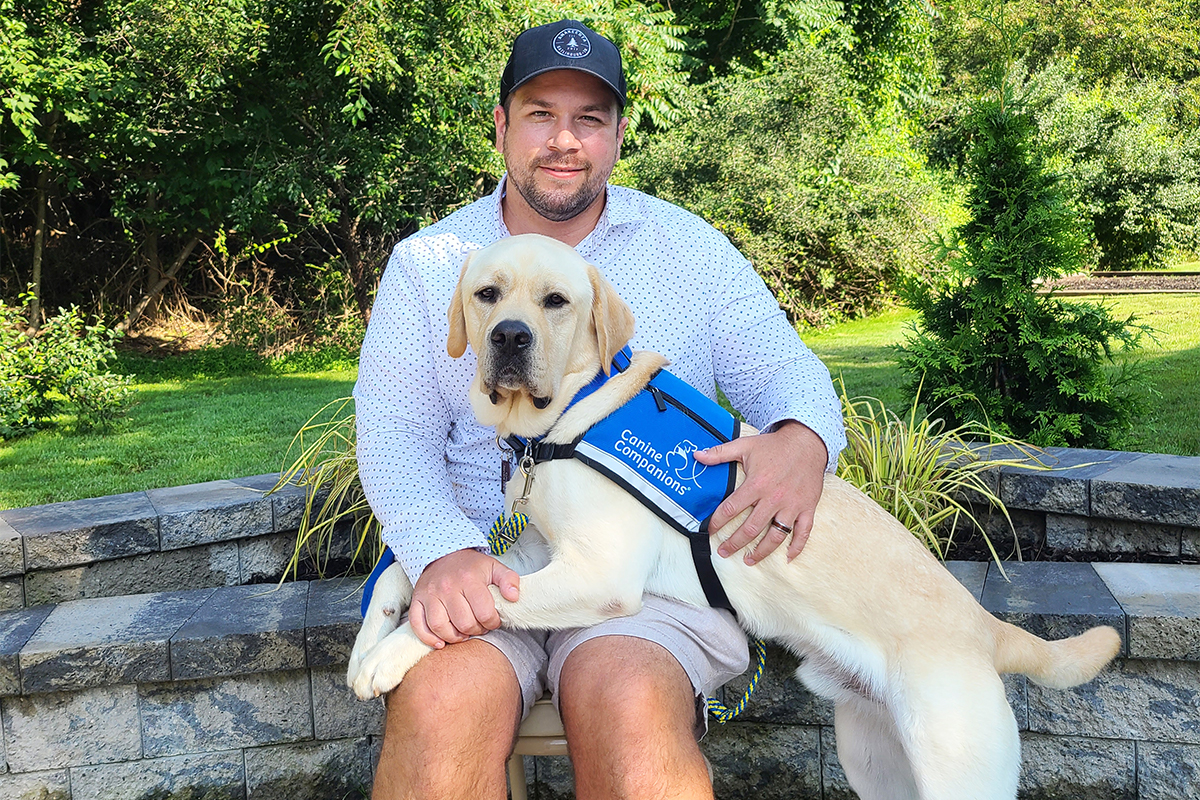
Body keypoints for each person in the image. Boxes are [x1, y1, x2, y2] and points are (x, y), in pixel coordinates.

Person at [354, 19, 847, 800]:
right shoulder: (431, 263)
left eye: (589, 119)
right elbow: (394, 434)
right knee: (442, 706)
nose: (563, 140)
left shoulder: (687, 249)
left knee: (629, 700)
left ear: (618, 133)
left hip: (646, 581)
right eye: (541, 113)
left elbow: (789, 372)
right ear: (502, 127)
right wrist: (443, 553)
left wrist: (803, 439)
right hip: (482, 559)